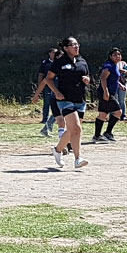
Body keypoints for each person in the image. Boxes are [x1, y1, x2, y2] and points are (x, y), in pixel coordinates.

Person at [45, 37, 90, 168]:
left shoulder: (82, 61)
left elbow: (87, 76)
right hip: (65, 99)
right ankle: (78, 158)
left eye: (77, 44)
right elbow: (48, 79)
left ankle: (57, 150)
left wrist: (87, 79)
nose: (76, 47)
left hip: (80, 99)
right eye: (73, 45)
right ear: (65, 48)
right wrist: (56, 92)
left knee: (73, 130)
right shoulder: (60, 62)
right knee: (76, 128)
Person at [93, 48, 124, 143]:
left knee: (102, 114)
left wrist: (119, 84)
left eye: (118, 54)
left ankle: (97, 135)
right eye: (115, 55)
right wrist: (105, 91)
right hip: (106, 93)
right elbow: (103, 78)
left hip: (110, 92)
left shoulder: (115, 65)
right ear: (110, 56)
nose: (117, 56)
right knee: (118, 112)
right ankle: (108, 132)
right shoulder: (108, 65)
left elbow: (113, 78)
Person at [37, 48, 59, 136]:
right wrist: (38, 90)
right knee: (58, 108)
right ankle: (46, 123)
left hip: (61, 88)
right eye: (53, 53)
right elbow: (44, 77)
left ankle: (47, 127)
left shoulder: (60, 63)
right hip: (53, 88)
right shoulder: (46, 63)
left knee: (61, 111)